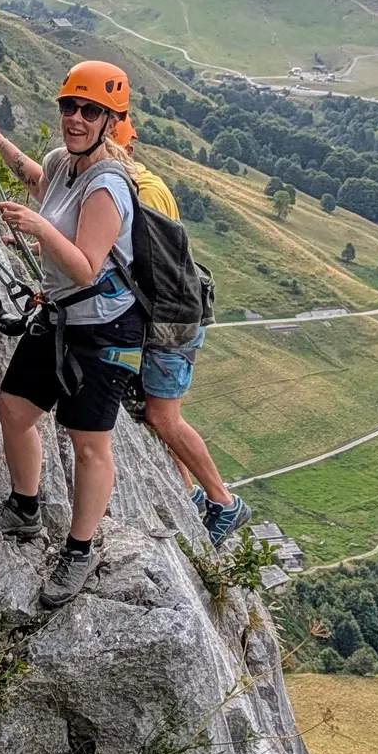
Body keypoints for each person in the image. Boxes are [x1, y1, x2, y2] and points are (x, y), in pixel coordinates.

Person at [0, 61, 144, 608]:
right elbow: (41, 184)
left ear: (112, 122)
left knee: (88, 444)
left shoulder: (109, 186)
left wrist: (39, 228)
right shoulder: (63, 164)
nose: (76, 118)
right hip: (63, 316)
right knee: (15, 409)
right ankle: (24, 507)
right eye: (70, 106)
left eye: (90, 111)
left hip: (105, 326)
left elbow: (88, 265)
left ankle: (81, 550)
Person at [111, 124, 251, 543]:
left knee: (162, 416)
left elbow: (142, 261)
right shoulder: (130, 185)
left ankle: (224, 502)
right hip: (167, 317)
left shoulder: (144, 191)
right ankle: (188, 493)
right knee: (155, 413)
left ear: (123, 146)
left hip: (172, 322)